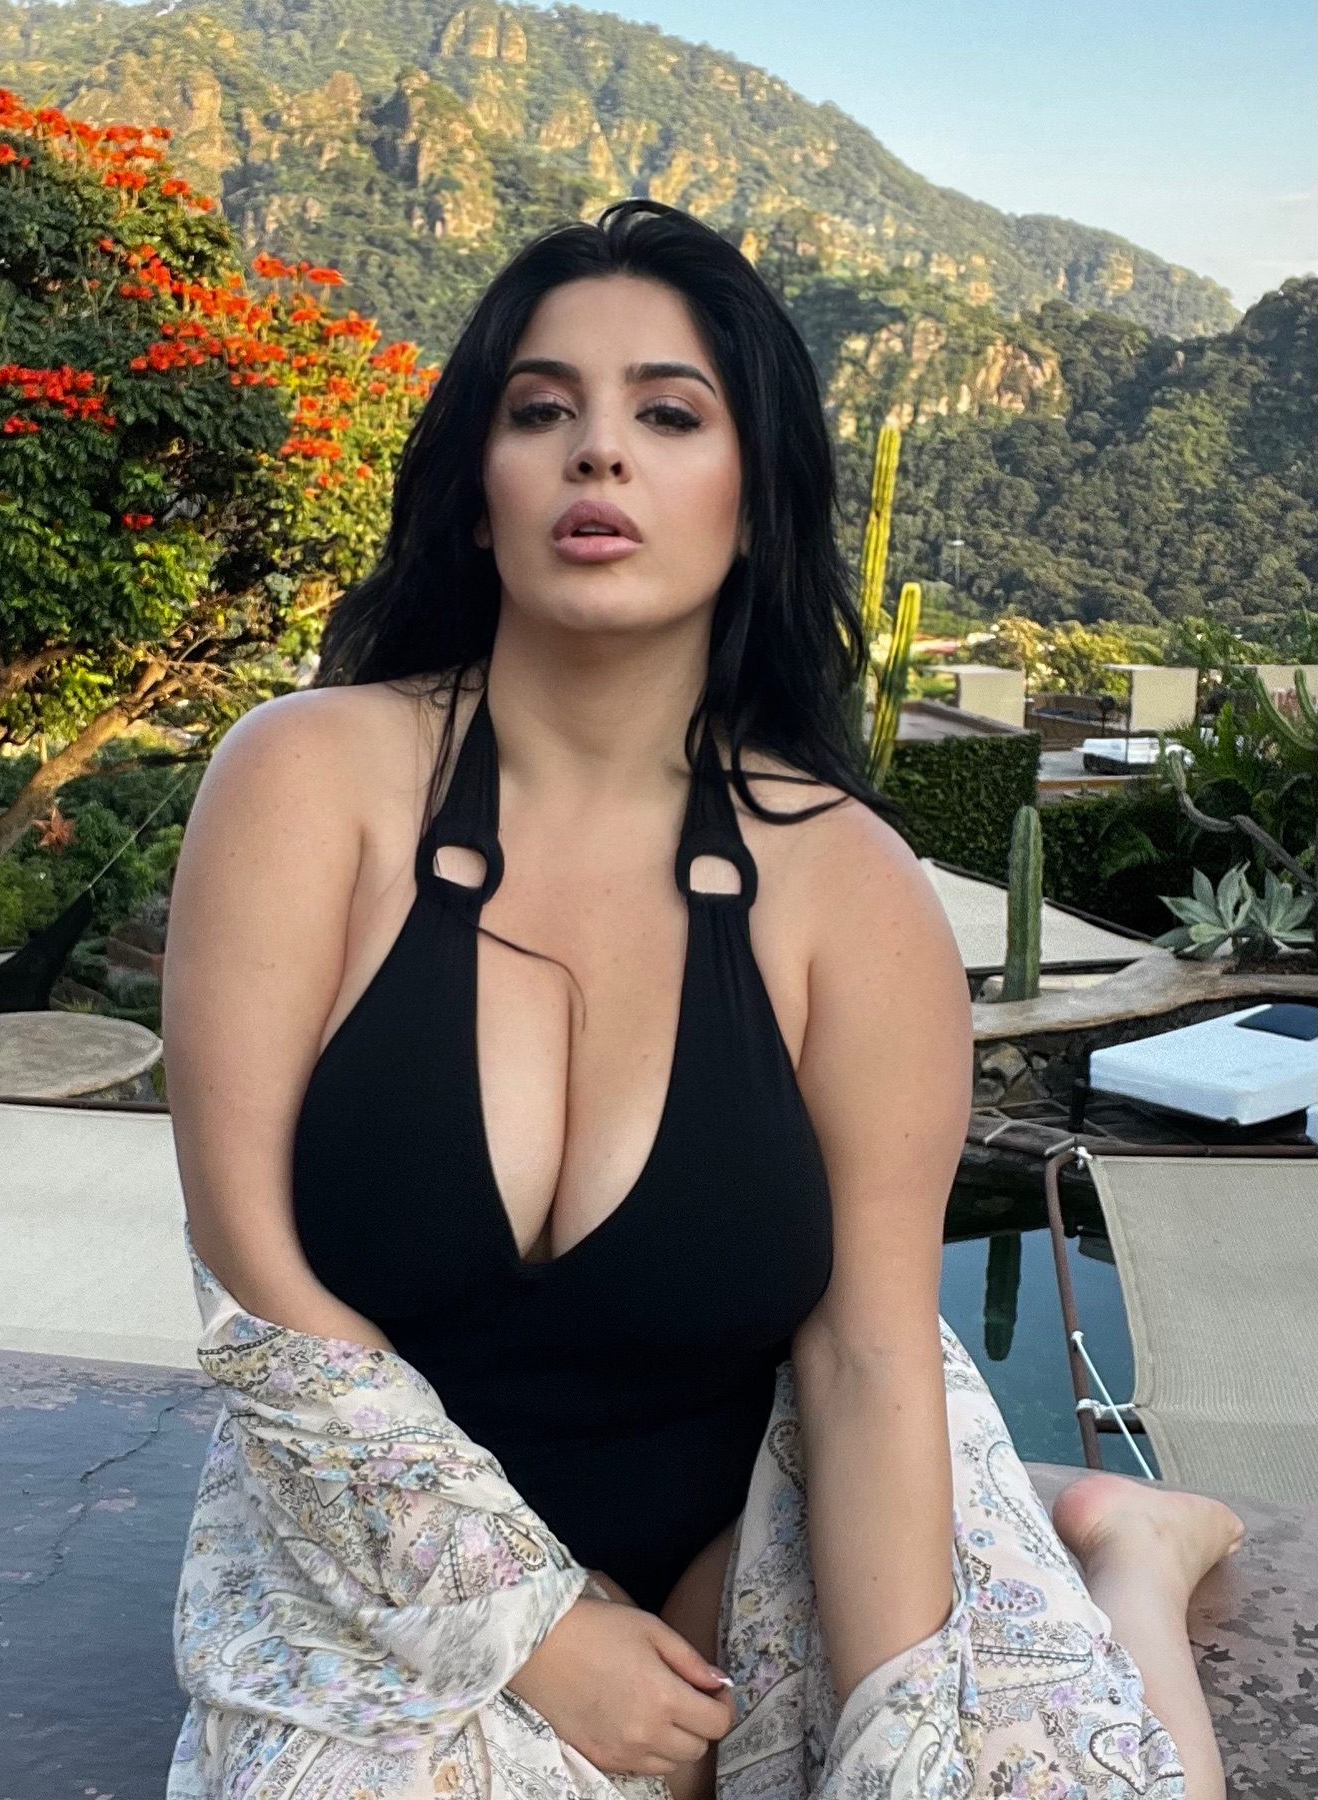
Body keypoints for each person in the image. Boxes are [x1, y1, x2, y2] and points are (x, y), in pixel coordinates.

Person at [162, 200, 1242, 1799]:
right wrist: (534, 1627)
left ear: (753, 504)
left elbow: (870, 1361)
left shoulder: (844, 885)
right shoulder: (311, 780)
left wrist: (906, 1748)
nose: (599, 450)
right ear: (479, 494)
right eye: (543, 410)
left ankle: (1130, 1558)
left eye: (669, 415)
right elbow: (252, 1276)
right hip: (376, 1546)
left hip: (762, 1531)